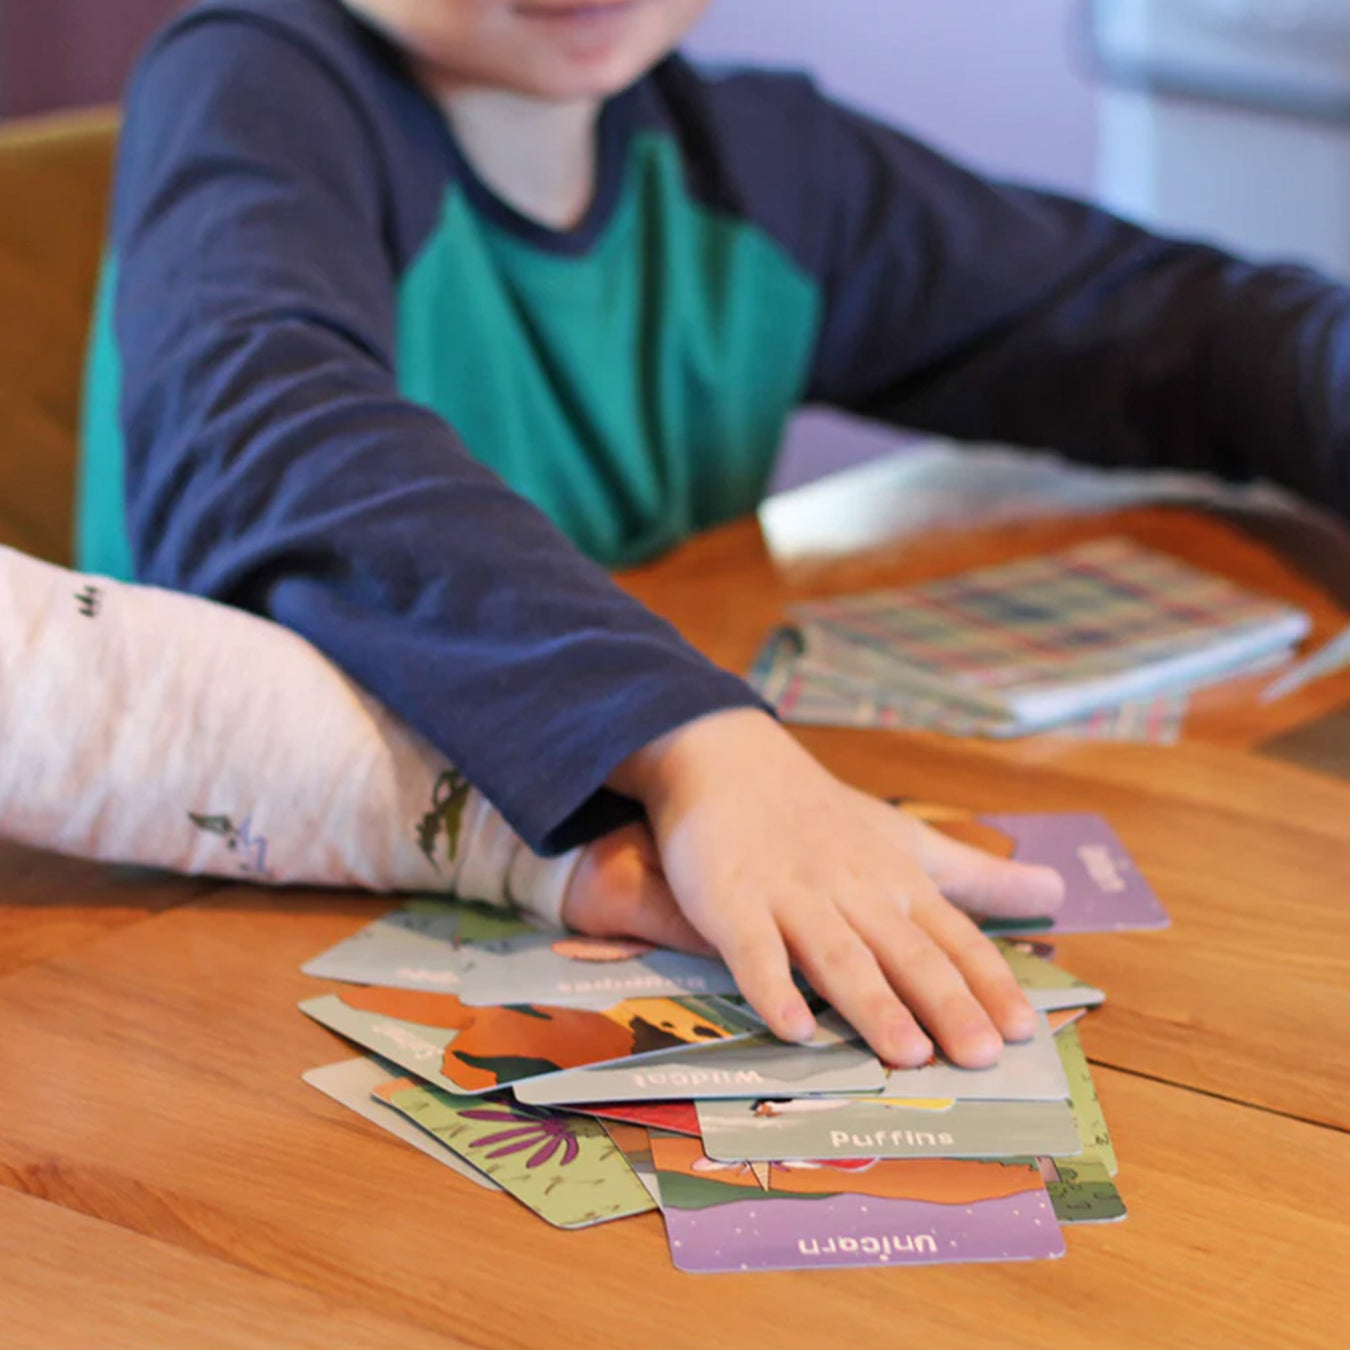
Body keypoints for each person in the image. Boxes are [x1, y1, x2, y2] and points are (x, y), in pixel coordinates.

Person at [80, 0, 1350, 1070]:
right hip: (204, 950)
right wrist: (701, 744)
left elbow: (1171, 323)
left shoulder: (751, 159)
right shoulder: (248, 84)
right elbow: (272, 441)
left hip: (585, 897)